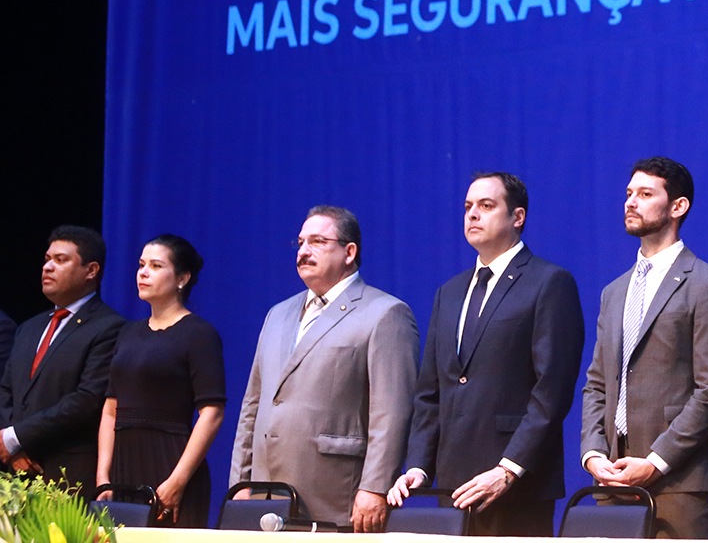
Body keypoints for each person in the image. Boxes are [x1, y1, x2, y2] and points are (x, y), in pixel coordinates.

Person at [388, 172, 584, 536]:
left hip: (516, 486)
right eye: (468, 207)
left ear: (517, 217)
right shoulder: (450, 292)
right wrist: (418, 467)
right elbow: (431, 392)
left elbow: (551, 392)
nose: (473, 214)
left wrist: (508, 468)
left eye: (486, 205)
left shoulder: (549, 282)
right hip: (454, 485)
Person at [580, 157, 708, 539]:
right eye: (628, 193)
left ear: (677, 206)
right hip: (612, 480)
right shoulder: (613, 291)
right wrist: (593, 454)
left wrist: (655, 461)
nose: (630, 202)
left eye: (645, 194)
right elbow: (597, 383)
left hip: (677, 483)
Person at [230, 206, 419, 531]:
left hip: (335, 495)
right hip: (265, 493)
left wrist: (375, 486)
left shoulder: (385, 314)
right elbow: (253, 405)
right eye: (300, 242)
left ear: (349, 252)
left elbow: (392, 413)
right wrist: (240, 482)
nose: (303, 251)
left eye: (317, 241)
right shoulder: (278, 314)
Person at [97, 235, 225, 526]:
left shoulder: (199, 334)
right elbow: (110, 409)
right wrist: (103, 474)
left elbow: (212, 413)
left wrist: (177, 481)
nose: (143, 273)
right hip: (124, 468)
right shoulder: (128, 333)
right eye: (141, 265)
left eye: (156, 266)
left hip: (171, 465)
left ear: (182, 278)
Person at [0, 225, 125, 492]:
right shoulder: (29, 328)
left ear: (91, 270)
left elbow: (86, 400)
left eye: (60, 260)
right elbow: (6, 391)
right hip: (15, 474)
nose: (47, 267)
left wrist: (16, 437)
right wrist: (13, 447)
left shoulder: (109, 327)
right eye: (47, 259)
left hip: (67, 474)